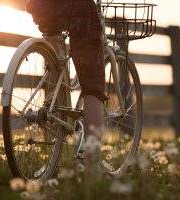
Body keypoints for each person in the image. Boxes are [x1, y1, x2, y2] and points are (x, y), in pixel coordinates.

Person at [26, 0, 106, 172]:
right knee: (93, 84)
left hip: (42, 6)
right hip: (77, 7)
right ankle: (93, 166)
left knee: (55, 68)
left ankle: (51, 163)